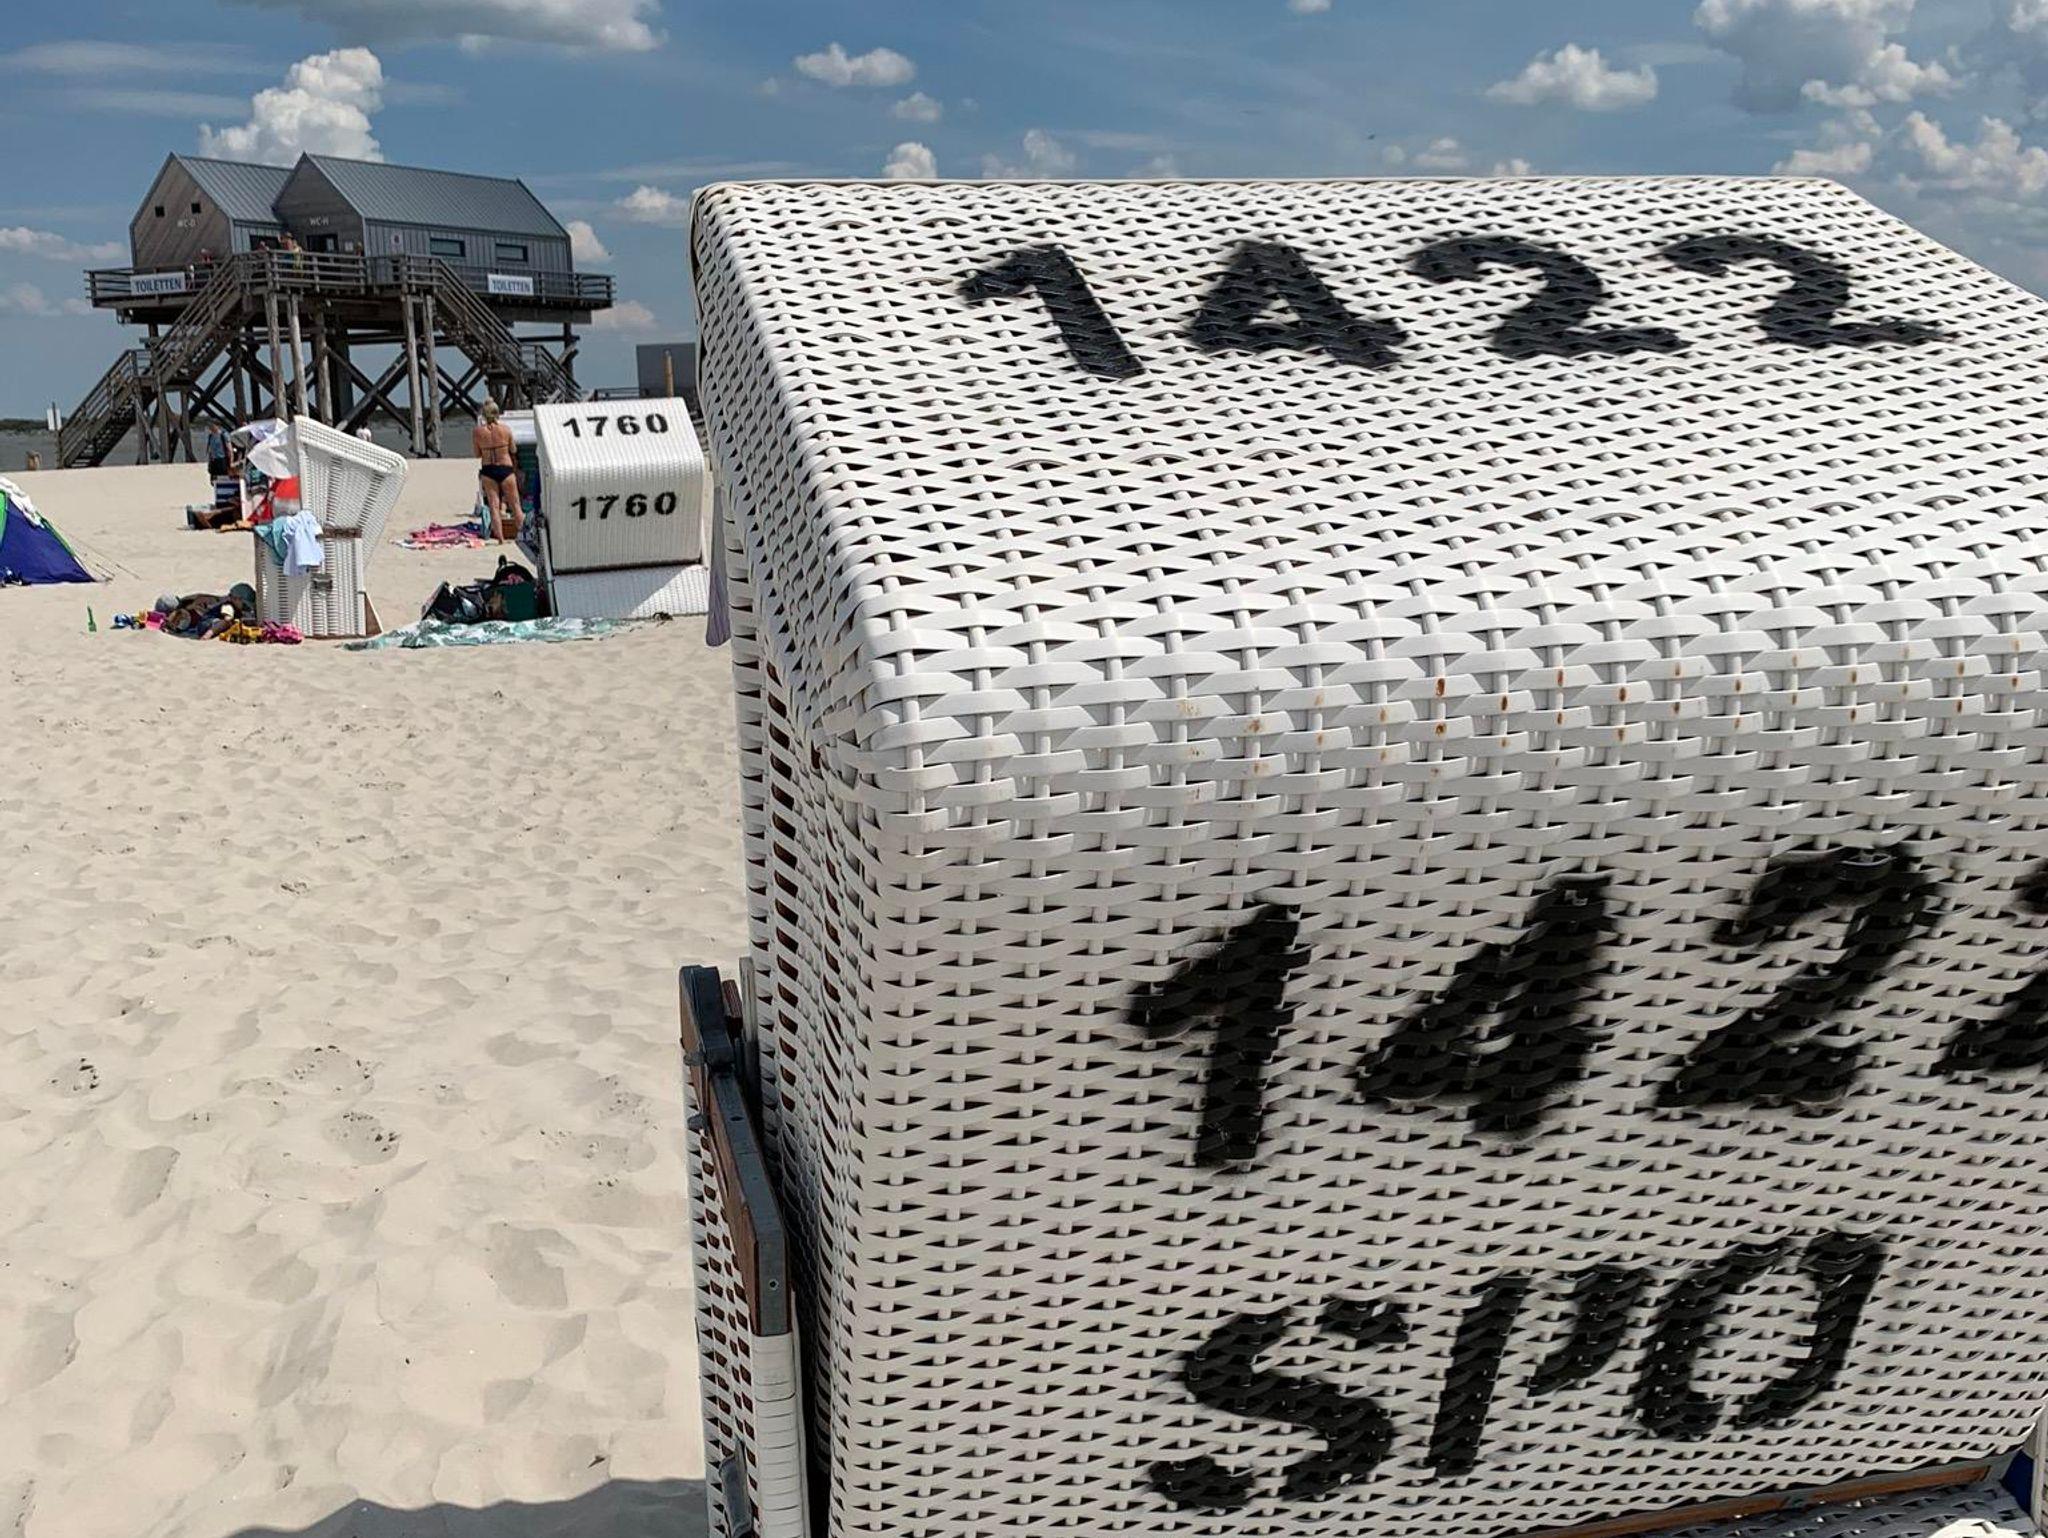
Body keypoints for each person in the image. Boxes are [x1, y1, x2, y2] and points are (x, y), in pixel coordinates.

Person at [473, 400, 521, 543]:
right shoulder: (505, 429)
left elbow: (477, 454)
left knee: (494, 505)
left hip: (488, 469)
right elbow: (513, 449)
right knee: (515, 504)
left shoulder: (477, 432)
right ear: (497, 413)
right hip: (505, 467)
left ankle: (500, 538)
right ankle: (524, 534)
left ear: (484, 414)